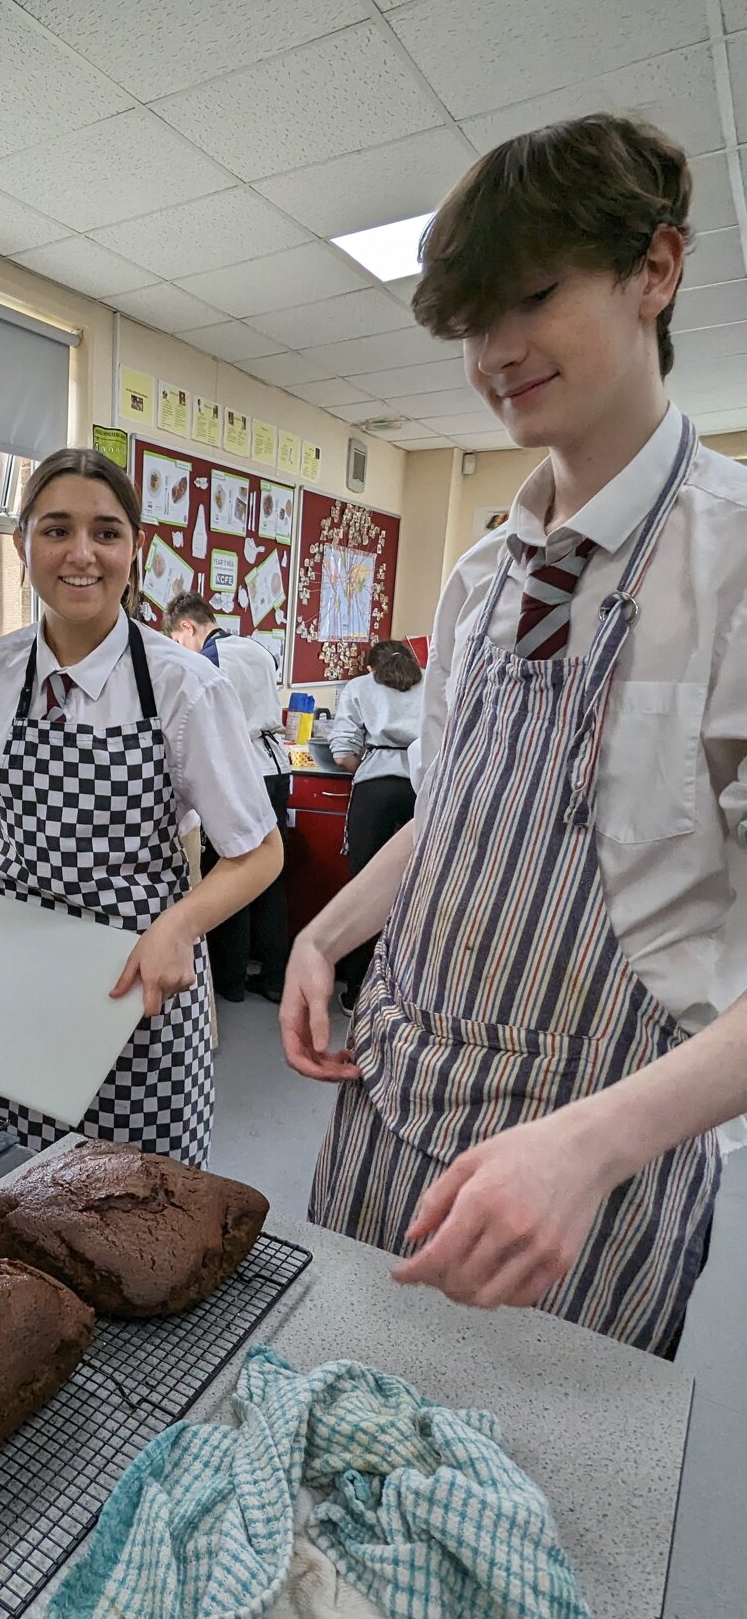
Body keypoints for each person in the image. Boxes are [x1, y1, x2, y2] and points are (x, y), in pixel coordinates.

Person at [283, 113, 747, 1357]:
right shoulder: (486, 578)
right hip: (391, 1104)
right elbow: (465, 814)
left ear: (655, 269)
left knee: (518, 1515)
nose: (496, 353)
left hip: (590, 1166)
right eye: (473, 324)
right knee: (330, 1430)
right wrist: (326, 935)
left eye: (531, 297)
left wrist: (589, 1146)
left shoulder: (736, 562)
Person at [0, 448, 282, 1166]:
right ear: (21, 543)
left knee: (133, 1193)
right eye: (56, 530)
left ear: (135, 548)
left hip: (133, 972)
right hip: (11, 964)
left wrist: (179, 928)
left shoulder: (184, 686)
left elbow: (257, 851)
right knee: (1, 1174)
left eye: (107, 532)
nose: (82, 554)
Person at [164, 592, 290, 1003]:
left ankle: (230, 981)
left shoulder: (209, 660)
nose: (182, 652)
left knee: (232, 867)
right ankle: (274, 977)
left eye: (179, 642)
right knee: (270, 874)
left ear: (188, 627)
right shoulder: (257, 648)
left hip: (244, 767)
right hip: (278, 767)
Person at [327, 639, 424, 1011]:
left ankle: (356, 991)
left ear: (371, 667)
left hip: (375, 791)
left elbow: (342, 754)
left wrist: (368, 768)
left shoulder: (359, 687)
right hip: (423, 788)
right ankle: (408, 992)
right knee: (417, 889)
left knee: (364, 890)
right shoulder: (432, 681)